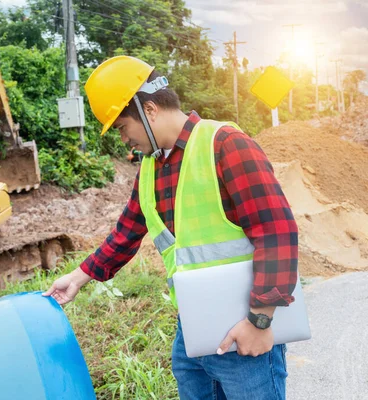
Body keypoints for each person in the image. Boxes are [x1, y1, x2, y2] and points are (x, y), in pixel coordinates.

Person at [43, 56, 298, 400]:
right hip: (193, 332)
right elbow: (126, 233)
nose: (123, 140)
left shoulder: (224, 144)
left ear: (149, 110)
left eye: (121, 128)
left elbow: (277, 232)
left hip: (245, 331)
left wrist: (260, 321)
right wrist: (77, 277)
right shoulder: (151, 167)